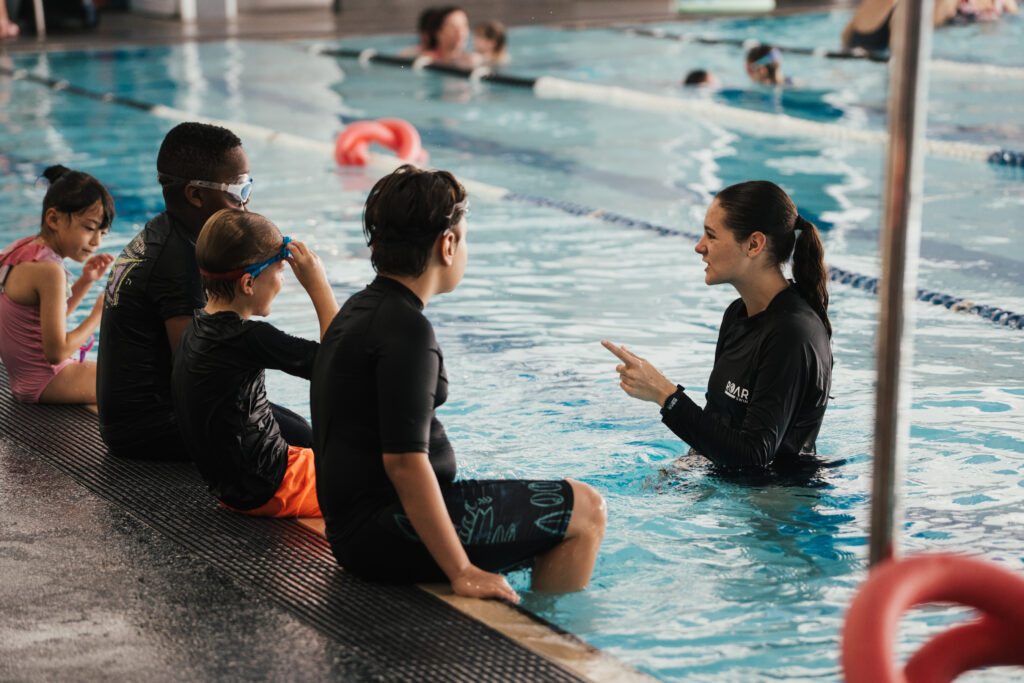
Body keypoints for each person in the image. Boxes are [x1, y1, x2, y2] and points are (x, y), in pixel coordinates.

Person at [311, 165, 606, 602]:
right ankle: (551, 637)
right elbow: (405, 465)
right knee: (586, 509)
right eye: (465, 238)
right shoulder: (407, 332)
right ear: (447, 245)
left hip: (356, 531)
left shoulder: (361, 309)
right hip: (384, 534)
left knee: (552, 501)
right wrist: (462, 571)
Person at [603, 180, 833, 474]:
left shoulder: (792, 334)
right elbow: (719, 426)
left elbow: (754, 456)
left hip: (779, 502)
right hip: (731, 486)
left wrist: (666, 395)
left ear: (754, 244)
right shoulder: (738, 314)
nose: (699, 247)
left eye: (711, 236)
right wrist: (681, 472)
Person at [97, 121, 264, 461]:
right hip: (149, 428)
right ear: (195, 194)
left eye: (247, 187)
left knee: (290, 425)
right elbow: (197, 371)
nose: (245, 204)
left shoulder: (167, 232)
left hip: (133, 419)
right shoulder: (180, 259)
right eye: (236, 190)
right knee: (301, 439)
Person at [172, 209, 338, 517]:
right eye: (280, 271)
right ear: (248, 283)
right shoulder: (248, 338)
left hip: (233, 489)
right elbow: (340, 367)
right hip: (272, 488)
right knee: (382, 475)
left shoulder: (197, 326)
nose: (283, 281)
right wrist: (319, 287)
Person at [0, 165, 114, 404]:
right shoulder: (50, 271)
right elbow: (56, 353)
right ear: (53, 219)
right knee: (140, 381)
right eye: (89, 228)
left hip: (24, 379)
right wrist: (99, 313)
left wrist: (85, 282)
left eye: (102, 233)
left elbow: (44, 322)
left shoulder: (22, 249)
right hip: (48, 379)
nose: (96, 241)